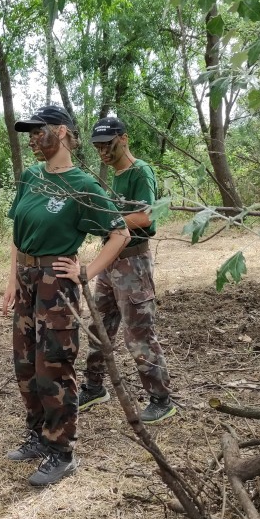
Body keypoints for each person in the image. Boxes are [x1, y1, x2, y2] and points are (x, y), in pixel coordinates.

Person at [2, 106, 130, 486]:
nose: (30, 138)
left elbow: (119, 232)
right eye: (28, 132)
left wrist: (87, 270)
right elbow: (16, 233)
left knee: (53, 367)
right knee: (25, 365)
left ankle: (62, 451)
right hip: (26, 280)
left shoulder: (83, 185)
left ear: (59, 132)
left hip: (56, 284)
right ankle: (38, 436)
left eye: (36, 131)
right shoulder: (30, 177)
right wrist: (11, 280)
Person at [79, 116, 177, 423]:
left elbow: (146, 217)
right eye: (97, 148)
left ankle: (161, 398)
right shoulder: (113, 176)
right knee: (100, 325)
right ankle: (94, 387)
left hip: (133, 262)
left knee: (139, 331)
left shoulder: (140, 171)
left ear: (124, 138)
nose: (102, 153)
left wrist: (111, 222)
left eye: (107, 145)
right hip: (111, 261)